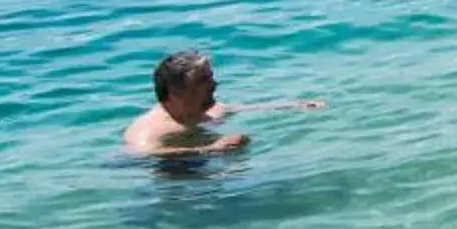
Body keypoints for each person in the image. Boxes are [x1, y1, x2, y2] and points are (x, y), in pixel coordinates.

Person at [122, 51, 319, 159]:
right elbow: (138, 156)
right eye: (203, 81)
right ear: (176, 92)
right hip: (173, 183)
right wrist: (210, 149)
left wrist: (295, 105)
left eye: (211, 78)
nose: (214, 84)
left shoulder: (209, 110)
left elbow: (241, 109)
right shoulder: (150, 129)